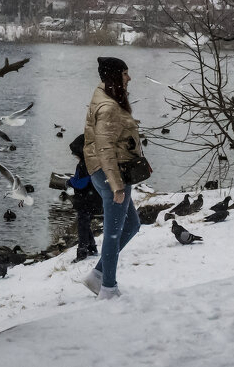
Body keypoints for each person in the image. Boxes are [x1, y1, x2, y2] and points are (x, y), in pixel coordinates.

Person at [80, 56, 143, 299]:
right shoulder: (108, 108)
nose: (129, 78)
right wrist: (117, 187)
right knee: (113, 232)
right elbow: (105, 149)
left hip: (109, 171)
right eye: (125, 73)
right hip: (111, 175)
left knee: (132, 225)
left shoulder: (106, 96)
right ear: (115, 76)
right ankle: (108, 289)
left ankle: (96, 277)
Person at [67, 133, 101, 261]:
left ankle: (82, 252)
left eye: (75, 153)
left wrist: (70, 182)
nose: (74, 155)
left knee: (82, 224)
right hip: (89, 199)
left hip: (86, 200)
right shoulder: (90, 162)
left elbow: (81, 183)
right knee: (85, 223)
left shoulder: (84, 165)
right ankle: (92, 248)